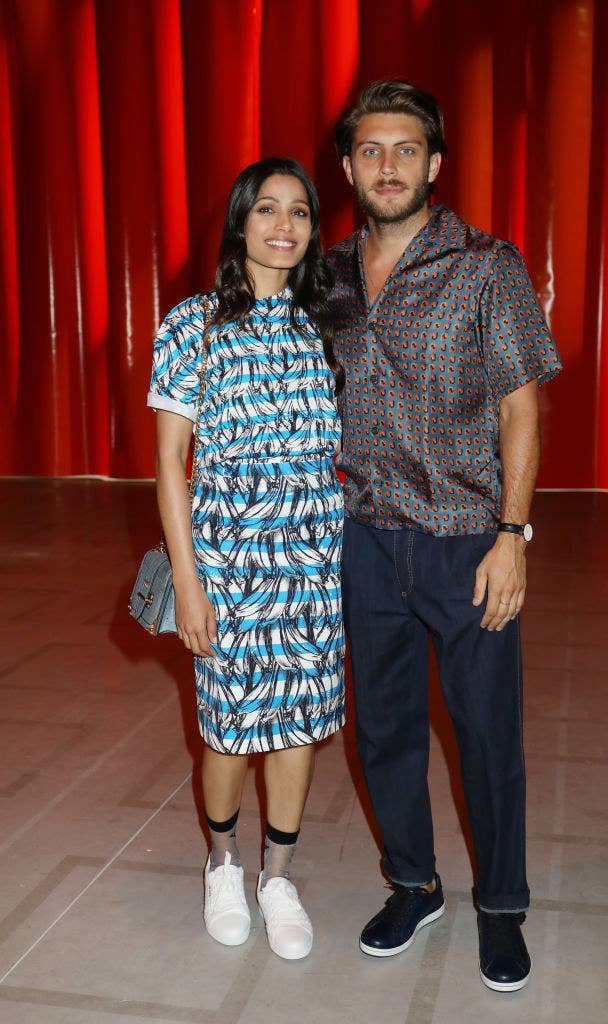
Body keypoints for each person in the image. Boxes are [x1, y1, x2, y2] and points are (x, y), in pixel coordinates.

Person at [328, 80, 562, 991]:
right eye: (370, 151)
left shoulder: (486, 265)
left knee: (484, 733)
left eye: (405, 149)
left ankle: (500, 906)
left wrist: (513, 535)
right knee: (384, 729)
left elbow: (520, 409)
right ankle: (412, 884)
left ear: (433, 163)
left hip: (466, 537)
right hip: (365, 537)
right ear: (349, 166)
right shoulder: (332, 273)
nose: (388, 166)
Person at [147, 157, 345, 961]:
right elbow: (169, 464)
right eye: (267, 209)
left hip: (311, 557)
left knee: (298, 723)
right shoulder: (191, 323)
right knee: (228, 728)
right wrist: (188, 584)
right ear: (239, 222)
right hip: (226, 556)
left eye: (299, 211)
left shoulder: (328, 323)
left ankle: (279, 877)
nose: (284, 226)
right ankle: (223, 863)